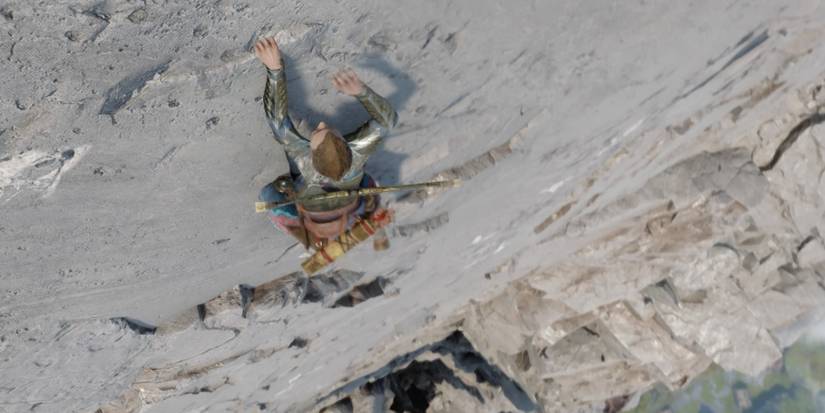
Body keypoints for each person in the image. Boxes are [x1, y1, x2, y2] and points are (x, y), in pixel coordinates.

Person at [253, 37, 398, 249]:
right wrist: (362, 92)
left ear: (308, 152)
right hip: (345, 207)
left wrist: (274, 70)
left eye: (318, 131)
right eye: (324, 129)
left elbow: (278, 120)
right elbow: (388, 121)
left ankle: (306, 222)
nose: (320, 123)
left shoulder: (301, 157)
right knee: (368, 184)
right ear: (348, 146)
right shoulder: (358, 153)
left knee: (268, 196)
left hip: (315, 209)